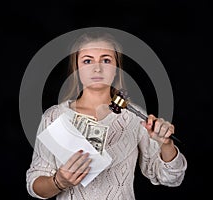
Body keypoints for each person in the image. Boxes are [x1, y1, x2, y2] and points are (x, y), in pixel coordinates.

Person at [26, 30, 187, 200]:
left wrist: (166, 144)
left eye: (106, 60)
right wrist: (59, 181)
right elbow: (35, 184)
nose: (97, 68)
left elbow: (171, 178)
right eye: (87, 61)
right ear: (77, 69)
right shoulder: (54, 117)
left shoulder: (134, 117)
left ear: (116, 68)